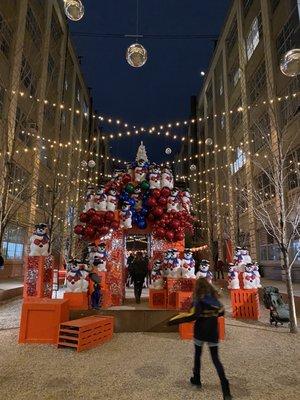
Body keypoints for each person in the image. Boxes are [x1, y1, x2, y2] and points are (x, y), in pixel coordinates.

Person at [169, 278, 232, 400]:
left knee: (197, 356)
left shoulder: (198, 300)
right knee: (216, 359)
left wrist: (173, 321)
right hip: (213, 332)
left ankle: (197, 379)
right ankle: (225, 388)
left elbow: (191, 315)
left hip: (200, 331)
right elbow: (221, 313)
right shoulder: (215, 300)